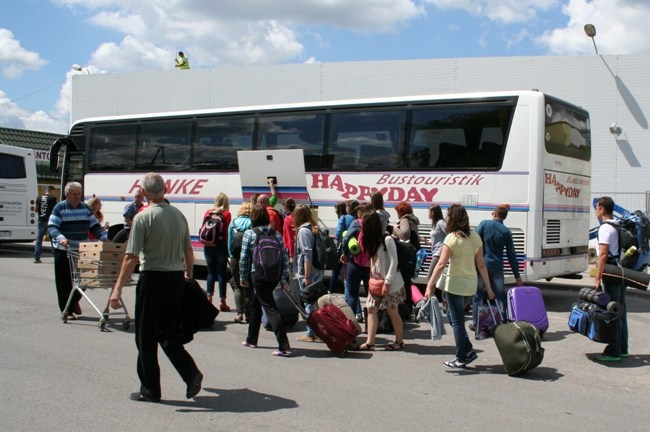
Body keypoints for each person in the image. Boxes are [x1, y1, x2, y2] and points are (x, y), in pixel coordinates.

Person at [109, 173, 202, 403]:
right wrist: (189, 275)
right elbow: (188, 251)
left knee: (145, 336)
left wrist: (117, 288)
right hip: (175, 280)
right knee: (168, 332)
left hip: (153, 279)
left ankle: (150, 389)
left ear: (144, 191)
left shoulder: (143, 218)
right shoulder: (178, 215)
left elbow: (131, 256)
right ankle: (190, 373)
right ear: (165, 188)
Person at [424, 204, 494, 369]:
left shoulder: (451, 238)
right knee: (452, 316)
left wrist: (429, 285)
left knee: (456, 321)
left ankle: (461, 357)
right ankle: (468, 349)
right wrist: (488, 288)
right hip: (470, 286)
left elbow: (441, 264)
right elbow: (481, 265)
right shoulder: (475, 237)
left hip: (454, 285)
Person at [48, 182, 108, 319]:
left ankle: (73, 300)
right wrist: (61, 238)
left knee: (87, 278)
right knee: (64, 282)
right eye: (74, 194)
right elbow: (52, 227)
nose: (77, 197)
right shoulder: (60, 208)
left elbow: (95, 227)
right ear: (67, 194)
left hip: (82, 249)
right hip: (64, 249)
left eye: (79, 194)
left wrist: (105, 237)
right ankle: (66, 310)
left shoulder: (86, 209)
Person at [238, 204, 292, 356]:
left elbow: (244, 258)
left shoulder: (250, 234)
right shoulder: (276, 235)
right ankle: (251, 339)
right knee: (256, 303)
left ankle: (284, 346)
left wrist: (243, 277)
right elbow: (284, 258)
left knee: (270, 308)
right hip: (274, 275)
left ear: (253, 217)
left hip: (259, 275)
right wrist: (283, 279)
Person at [470, 204, 523, 331]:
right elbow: (511, 255)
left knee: (478, 295)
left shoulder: (483, 224)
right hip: (497, 267)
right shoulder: (506, 232)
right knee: (499, 295)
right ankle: (501, 321)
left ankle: (476, 323)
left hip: (482, 265)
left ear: (494, 214)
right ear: (504, 217)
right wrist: (517, 276)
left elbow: (474, 242)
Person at [358, 211, 406, 351]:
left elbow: (394, 262)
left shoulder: (387, 239)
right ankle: (370, 342)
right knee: (371, 309)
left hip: (388, 282)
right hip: (375, 281)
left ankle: (399, 341)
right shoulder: (373, 240)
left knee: (392, 310)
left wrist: (388, 282)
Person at [594, 196, 628, 361]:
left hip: (611, 272)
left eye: (596, 208)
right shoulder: (617, 224)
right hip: (620, 271)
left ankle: (613, 350)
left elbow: (603, 254)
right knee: (621, 310)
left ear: (602, 209)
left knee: (613, 311)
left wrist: (597, 277)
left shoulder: (605, 228)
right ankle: (622, 348)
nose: (595, 211)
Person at [293, 204, 324, 343]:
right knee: (315, 301)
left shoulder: (303, 231)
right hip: (318, 268)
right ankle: (318, 330)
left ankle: (311, 333)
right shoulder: (314, 227)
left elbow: (307, 253)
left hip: (309, 271)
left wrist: (307, 275)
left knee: (308, 302)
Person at [340, 203, 373, 322]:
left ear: (361, 212)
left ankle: (351, 325)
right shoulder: (375, 224)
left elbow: (345, 239)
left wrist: (345, 253)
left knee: (352, 293)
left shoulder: (357, 223)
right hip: (371, 264)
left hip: (355, 262)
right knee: (372, 295)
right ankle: (372, 325)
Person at [203, 193, 232, 310]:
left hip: (208, 245)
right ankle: (222, 301)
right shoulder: (226, 214)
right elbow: (226, 233)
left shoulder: (208, 212)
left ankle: (209, 297)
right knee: (221, 273)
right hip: (220, 246)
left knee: (210, 272)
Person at [228, 202, 253, 323]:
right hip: (248, 258)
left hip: (235, 257)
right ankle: (248, 315)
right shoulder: (251, 223)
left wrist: (231, 255)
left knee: (237, 286)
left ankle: (239, 314)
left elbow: (229, 241)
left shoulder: (233, 223)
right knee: (247, 285)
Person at [330, 201, 352, 293]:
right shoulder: (351, 217)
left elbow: (338, 234)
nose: (335, 211)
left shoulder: (342, 218)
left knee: (335, 270)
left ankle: (330, 290)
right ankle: (345, 290)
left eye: (335, 209)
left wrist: (333, 237)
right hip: (349, 247)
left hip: (341, 247)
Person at [33, 185, 57, 263]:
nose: (54, 193)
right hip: (50, 221)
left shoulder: (39, 198)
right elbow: (55, 209)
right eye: (54, 192)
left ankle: (36, 257)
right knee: (53, 239)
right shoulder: (53, 198)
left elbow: (35, 210)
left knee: (39, 239)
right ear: (51, 191)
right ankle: (56, 256)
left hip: (41, 221)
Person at [281, 198, 297, 265]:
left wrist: (291, 255)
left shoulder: (288, 219)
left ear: (286, 206)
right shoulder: (297, 216)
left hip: (289, 249)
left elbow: (289, 237)